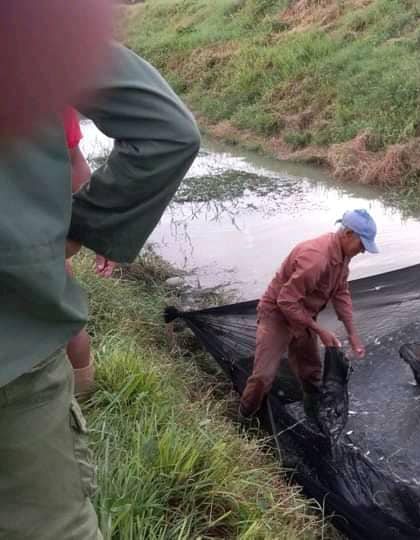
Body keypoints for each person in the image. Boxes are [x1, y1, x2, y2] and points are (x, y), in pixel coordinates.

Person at [0, 42, 201, 540]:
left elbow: (73, 160)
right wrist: (83, 231)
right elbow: (161, 132)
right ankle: (79, 393)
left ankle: (82, 389)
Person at [238, 210, 379, 418]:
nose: (363, 251)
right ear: (348, 234)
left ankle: (313, 415)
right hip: (276, 315)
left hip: (303, 316)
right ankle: (244, 417)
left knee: (311, 372)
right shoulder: (316, 259)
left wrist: (352, 333)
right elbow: (285, 300)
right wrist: (319, 330)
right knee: (263, 376)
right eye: (362, 244)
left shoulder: (343, 255)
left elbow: (341, 292)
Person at [62, 107, 118, 398]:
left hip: (36, 238)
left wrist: (95, 232)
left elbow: (74, 161)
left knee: (65, 313)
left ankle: (83, 397)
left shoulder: (40, 89)